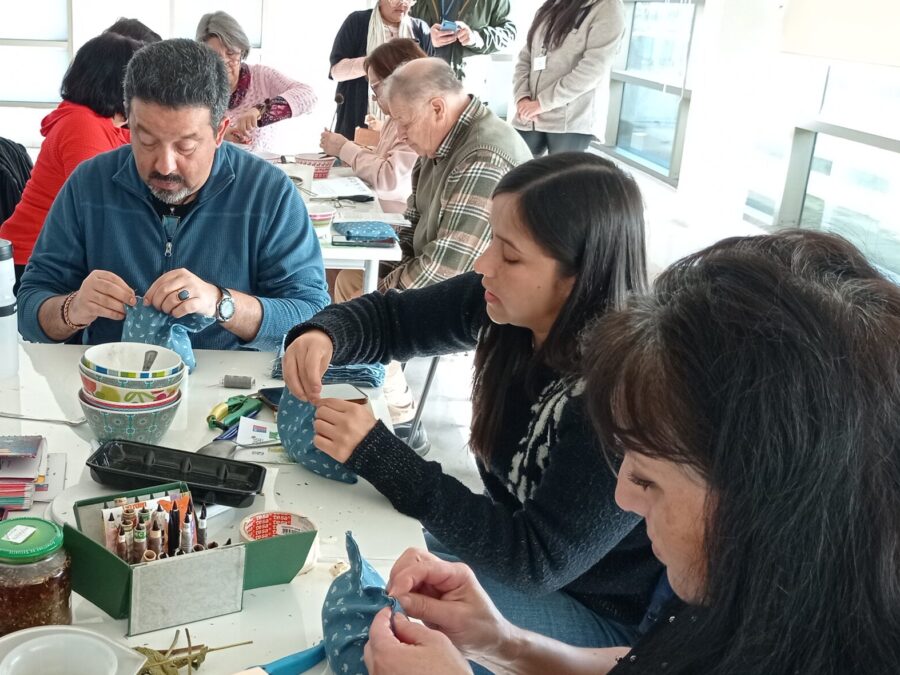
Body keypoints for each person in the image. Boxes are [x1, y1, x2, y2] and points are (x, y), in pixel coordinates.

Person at [362, 230, 900, 675]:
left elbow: (536, 558)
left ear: (774, 498)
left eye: (648, 480)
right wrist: (502, 643)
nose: (622, 496)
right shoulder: (729, 592)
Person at [283, 153, 660, 652]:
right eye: (491, 241)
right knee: (365, 554)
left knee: (383, 615)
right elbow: (394, 321)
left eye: (510, 254)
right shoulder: (507, 312)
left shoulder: (617, 397)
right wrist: (323, 333)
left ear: (578, 275)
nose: (484, 264)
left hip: (595, 619)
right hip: (522, 564)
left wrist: (381, 454)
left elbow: (532, 562)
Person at [17, 39, 329, 351]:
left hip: (228, 390)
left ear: (220, 131)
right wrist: (71, 309)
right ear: (128, 122)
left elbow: (312, 315)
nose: (165, 166)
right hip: (113, 385)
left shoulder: (267, 193)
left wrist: (222, 304)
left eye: (186, 146)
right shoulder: (89, 184)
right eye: (147, 141)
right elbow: (30, 308)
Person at [331, 57, 532, 442]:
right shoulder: (440, 144)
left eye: (404, 123)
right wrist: (382, 273)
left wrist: (376, 303)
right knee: (352, 282)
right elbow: (414, 228)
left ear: (437, 108)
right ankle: (375, 387)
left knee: (361, 296)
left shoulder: (482, 155)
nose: (401, 135)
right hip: (444, 266)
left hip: (484, 292)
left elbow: (448, 268)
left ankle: (400, 418)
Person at [0, 33, 143, 287]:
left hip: (57, 252)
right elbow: (102, 206)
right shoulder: (82, 125)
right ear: (119, 84)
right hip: (34, 260)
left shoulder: (108, 124)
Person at [320, 39, 427, 213]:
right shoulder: (394, 119)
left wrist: (345, 149)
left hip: (398, 221)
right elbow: (386, 159)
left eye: (376, 88)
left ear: (399, 80)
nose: (375, 98)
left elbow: (391, 182)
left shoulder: (417, 117)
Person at [513, 0, 625, 155]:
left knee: (562, 176)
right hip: (530, 113)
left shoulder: (608, 6)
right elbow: (526, 56)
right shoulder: (552, 5)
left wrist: (542, 103)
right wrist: (521, 97)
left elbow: (593, 69)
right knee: (514, 170)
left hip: (571, 118)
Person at [196, 11, 316, 148]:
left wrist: (260, 110)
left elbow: (308, 96)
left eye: (231, 53)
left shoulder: (262, 77)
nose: (224, 62)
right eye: (215, 56)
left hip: (265, 166)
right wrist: (219, 133)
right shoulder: (195, 88)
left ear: (242, 51)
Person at [329, 0, 432, 141]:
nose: (403, 4)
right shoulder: (358, 21)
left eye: (409, 0)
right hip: (357, 119)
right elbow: (336, 72)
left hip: (405, 126)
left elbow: (429, 80)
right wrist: (377, 61)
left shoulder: (420, 29)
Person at [412, 0, 515, 81]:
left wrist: (476, 38)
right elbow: (400, 30)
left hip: (467, 85)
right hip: (423, 81)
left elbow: (508, 33)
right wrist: (426, 39)